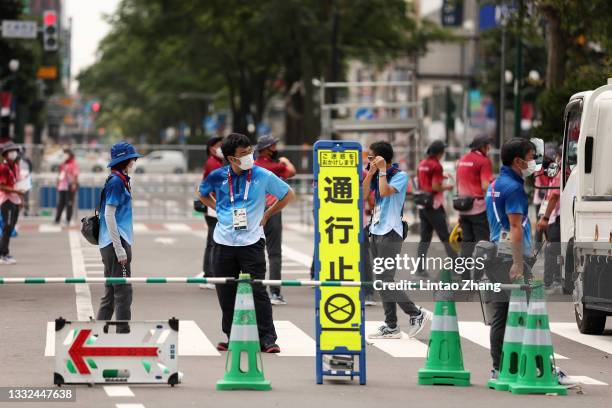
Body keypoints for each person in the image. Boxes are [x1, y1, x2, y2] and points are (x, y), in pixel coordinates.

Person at [198, 133, 295, 353]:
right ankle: (232, 336)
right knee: (226, 292)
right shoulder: (218, 176)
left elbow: (287, 194)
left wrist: (269, 213)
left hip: (252, 242)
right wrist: (218, 209)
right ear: (231, 158)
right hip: (223, 242)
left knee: (258, 291)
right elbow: (201, 194)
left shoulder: (262, 175)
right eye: (243, 154)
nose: (249, 156)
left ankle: (267, 338)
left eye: (250, 151)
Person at [364, 141, 430, 339]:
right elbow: (364, 194)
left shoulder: (400, 176)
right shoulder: (376, 175)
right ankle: (391, 325)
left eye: (372, 157)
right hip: (375, 230)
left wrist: (382, 170)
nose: (369, 161)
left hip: (391, 232)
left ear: (382, 158)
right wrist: (370, 173)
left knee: (386, 279)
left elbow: (384, 192)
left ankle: (416, 313)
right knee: (381, 280)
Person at [484, 138, 537, 379]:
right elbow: (515, 227)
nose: (533, 162)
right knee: (526, 314)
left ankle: (499, 367)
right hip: (509, 258)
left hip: (496, 252)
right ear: (518, 161)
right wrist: (517, 262)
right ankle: (534, 368)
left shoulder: (496, 184)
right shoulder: (514, 188)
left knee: (501, 315)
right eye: (531, 157)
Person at [96, 142, 142, 334]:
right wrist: (119, 248)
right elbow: (109, 215)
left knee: (111, 291)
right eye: (132, 157)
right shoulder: (116, 181)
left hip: (111, 243)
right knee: (123, 291)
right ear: (125, 159)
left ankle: (98, 330)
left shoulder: (119, 178)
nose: (134, 160)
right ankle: (122, 332)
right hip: (116, 243)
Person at [254, 135, 296, 305]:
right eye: (273, 145)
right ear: (267, 148)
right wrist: (286, 160)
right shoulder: (276, 166)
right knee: (274, 253)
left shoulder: (253, 166)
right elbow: (291, 172)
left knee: (251, 250)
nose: (276, 148)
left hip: (254, 211)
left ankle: (252, 290)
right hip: (273, 211)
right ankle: (275, 293)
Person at [415, 140, 457, 276]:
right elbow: (435, 187)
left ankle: (419, 269)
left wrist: (441, 176)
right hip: (434, 205)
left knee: (425, 238)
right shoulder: (436, 165)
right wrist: (448, 186)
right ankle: (458, 268)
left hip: (423, 205)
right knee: (446, 236)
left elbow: (421, 180)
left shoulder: (422, 163)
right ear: (439, 152)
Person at [455, 134, 494, 280]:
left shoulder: (462, 160)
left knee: (467, 243)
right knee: (483, 244)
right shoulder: (484, 161)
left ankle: (464, 278)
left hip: (463, 208)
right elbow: (486, 186)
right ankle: (478, 278)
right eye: (487, 146)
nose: (489, 149)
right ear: (482, 146)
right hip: (478, 208)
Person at [199, 136, 225, 290]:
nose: (222, 148)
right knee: (213, 242)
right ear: (212, 148)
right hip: (213, 206)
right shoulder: (213, 163)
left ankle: (209, 274)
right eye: (220, 145)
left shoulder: (216, 162)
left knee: (212, 241)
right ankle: (209, 275)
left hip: (214, 206)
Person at [537, 147, 563, 292]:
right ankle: (554, 279)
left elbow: (553, 197)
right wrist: (543, 216)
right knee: (554, 248)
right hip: (553, 216)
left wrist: (545, 218)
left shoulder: (558, 175)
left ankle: (549, 281)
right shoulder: (556, 174)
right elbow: (548, 196)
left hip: (556, 216)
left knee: (552, 249)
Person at [0, 143, 25, 264]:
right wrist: (16, 191)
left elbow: (17, 184)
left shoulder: (14, 166)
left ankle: (3, 252)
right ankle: (4, 254)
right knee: (7, 226)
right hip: (7, 200)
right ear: (5, 154)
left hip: (14, 200)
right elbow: (2, 186)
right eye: (11, 151)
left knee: (11, 227)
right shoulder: (3, 167)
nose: (14, 153)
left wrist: (21, 199)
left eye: (15, 151)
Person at [55, 148, 80, 226]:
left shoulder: (74, 163)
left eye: (66, 153)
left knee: (69, 203)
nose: (65, 155)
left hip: (70, 185)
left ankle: (68, 219)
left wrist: (74, 184)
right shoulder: (63, 163)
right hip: (62, 186)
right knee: (60, 203)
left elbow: (75, 175)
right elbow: (60, 174)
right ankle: (57, 219)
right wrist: (57, 183)